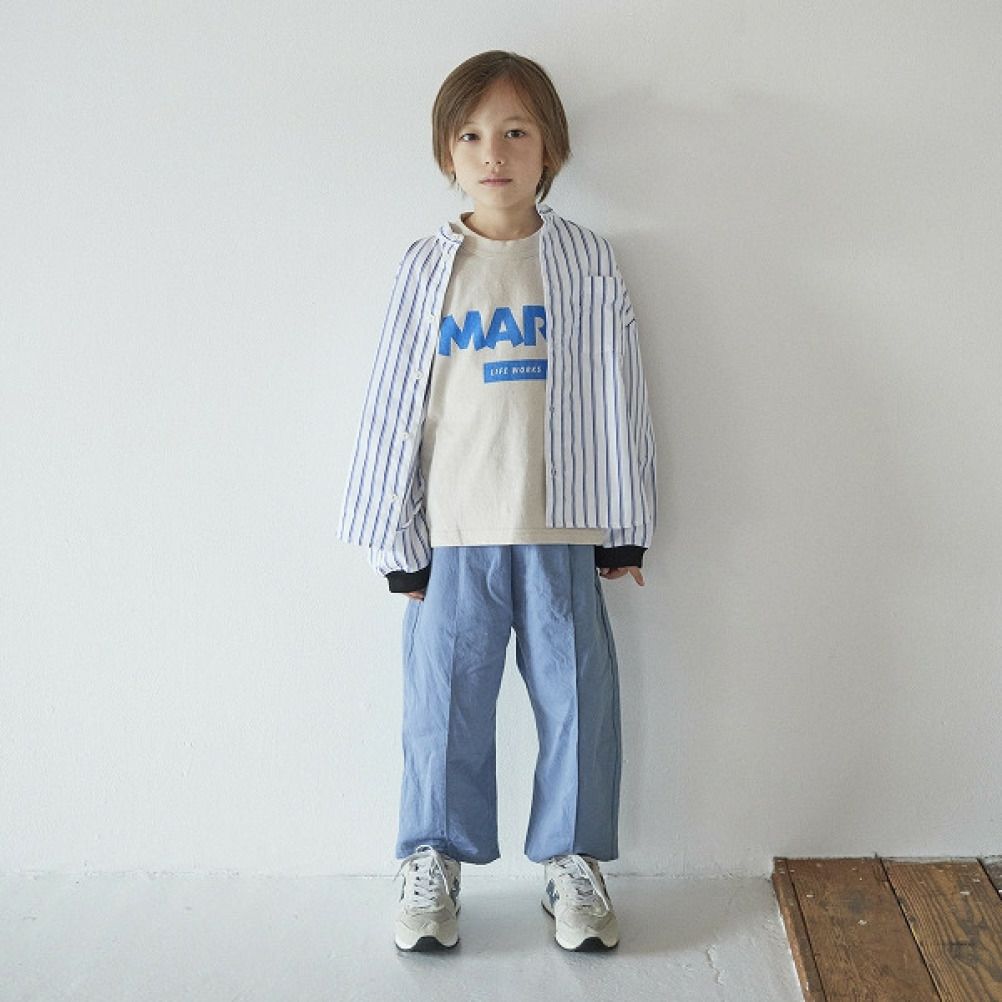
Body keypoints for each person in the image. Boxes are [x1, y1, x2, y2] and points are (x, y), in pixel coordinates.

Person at [337, 50, 657, 952]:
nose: (494, 152)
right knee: (443, 704)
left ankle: (571, 863)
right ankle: (432, 862)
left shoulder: (586, 260)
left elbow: (618, 392)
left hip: (562, 524)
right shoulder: (427, 268)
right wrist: (394, 540)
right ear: (448, 152)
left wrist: (624, 530)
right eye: (473, 134)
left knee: (578, 699)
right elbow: (392, 403)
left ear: (550, 146)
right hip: (453, 531)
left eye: (516, 131)